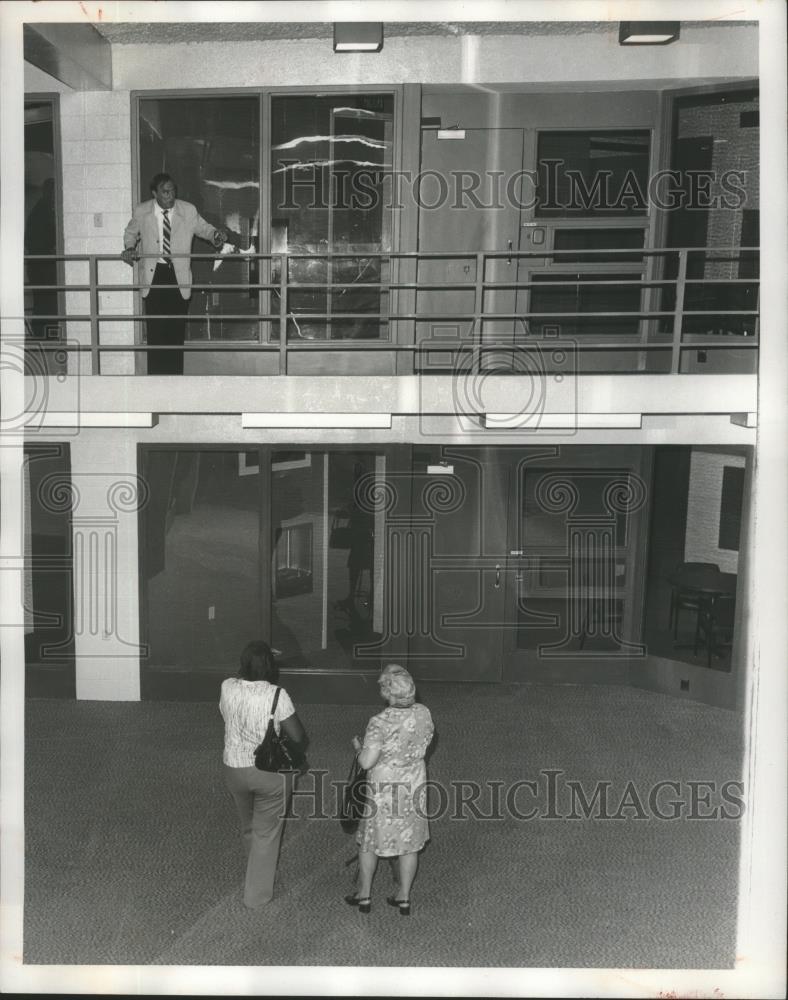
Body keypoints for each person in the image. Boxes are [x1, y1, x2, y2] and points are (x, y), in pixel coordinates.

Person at [219, 640, 307, 909]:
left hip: (234, 769)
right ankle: (256, 897)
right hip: (269, 773)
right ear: (271, 667)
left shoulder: (227, 686)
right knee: (266, 833)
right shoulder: (277, 695)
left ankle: (254, 867)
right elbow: (298, 737)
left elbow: (225, 714)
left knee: (248, 825)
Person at [345, 664, 434, 916]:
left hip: (384, 787)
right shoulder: (424, 712)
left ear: (387, 693)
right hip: (414, 783)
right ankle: (403, 896)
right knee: (409, 843)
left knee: (370, 842)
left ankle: (364, 895)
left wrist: (358, 747)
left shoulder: (379, 722)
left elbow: (366, 762)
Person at [121, 173, 226, 375]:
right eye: (165, 191)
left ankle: (175, 379)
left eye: (173, 191)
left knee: (175, 330)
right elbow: (130, 232)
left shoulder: (188, 210)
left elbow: (204, 229)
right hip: (154, 276)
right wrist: (129, 247)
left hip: (178, 275)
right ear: (155, 193)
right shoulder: (142, 211)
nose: (170, 195)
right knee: (156, 330)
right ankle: (156, 379)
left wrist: (216, 235)